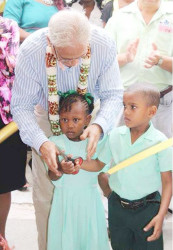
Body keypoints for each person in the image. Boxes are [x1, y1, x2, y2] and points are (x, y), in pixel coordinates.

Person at [11, 9, 123, 250]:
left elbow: (113, 95)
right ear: (51, 42)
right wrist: (42, 142)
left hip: (91, 120)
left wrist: (98, 125)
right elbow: (21, 106)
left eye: (79, 57)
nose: (72, 65)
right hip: (46, 120)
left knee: (88, 195)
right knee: (47, 199)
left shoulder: (103, 44)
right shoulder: (32, 49)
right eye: (65, 59)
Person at [81, 83, 172, 250]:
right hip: (118, 209)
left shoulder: (160, 143)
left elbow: (167, 182)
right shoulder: (115, 135)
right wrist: (78, 163)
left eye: (133, 107)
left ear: (151, 112)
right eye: (124, 106)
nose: (126, 112)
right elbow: (99, 165)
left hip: (148, 208)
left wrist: (160, 215)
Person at [45, 91, 110, 250]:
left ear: (87, 120)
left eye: (76, 119)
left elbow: (100, 166)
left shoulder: (94, 142)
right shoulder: (54, 142)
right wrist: (60, 168)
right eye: (64, 119)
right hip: (64, 204)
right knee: (65, 240)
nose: (70, 124)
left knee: (89, 239)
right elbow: (52, 175)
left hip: (88, 202)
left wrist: (79, 164)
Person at [105, 0, 173, 138]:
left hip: (162, 104)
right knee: (117, 152)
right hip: (123, 103)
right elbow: (102, 63)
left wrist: (161, 60)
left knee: (160, 153)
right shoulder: (119, 17)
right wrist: (125, 58)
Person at [0, 17, 27, 247]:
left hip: (6, 116)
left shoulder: (8, 26)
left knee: (3, 182)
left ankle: (1, 238)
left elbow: (12, 65)